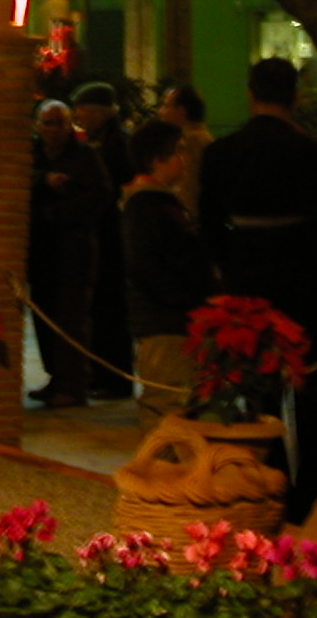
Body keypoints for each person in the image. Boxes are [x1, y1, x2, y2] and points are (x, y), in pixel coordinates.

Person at [197, 55, 317, 516]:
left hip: (243, 283)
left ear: (251, 95)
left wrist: (229, 266)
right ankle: (309, 489)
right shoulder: (308, 152)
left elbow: (208, 226)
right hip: (302, 282)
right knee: (311, 393)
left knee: (249, 388)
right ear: (294, 97)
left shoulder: (222, 152)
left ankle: (246, 480)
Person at [120, 119, 217, 427]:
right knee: (167, 408)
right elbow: (145, 266)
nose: (184, 159)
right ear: (155, 160)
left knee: (185, 408)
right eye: (177, 152)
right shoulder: (145, 204)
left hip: (178, 321)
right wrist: (187, 299)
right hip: (164, 325)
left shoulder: (162, 201)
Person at [27, 100, 111, 411]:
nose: (53, 129)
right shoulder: (32, 154)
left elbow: (99, 196)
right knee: (45, 317)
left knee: (71, 319)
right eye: (47, 123)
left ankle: (73, 385)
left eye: (59, 123)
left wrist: (57, 213)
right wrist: (44, 179)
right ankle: (55, 377)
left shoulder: (85, 156)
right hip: (40, 252)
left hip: (73, 251)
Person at [70, 82, 135, 400]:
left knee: (112, 308)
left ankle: (115, 378)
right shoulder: (101, 140)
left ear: (100, 112)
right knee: (99, 307)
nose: (79, 116)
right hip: (102, 234)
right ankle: (99, 374)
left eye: (82, 110)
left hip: (112, 236)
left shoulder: (117, 144)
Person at [156, 81, 215, 222]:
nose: (160, 112)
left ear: (182, 110)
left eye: (166, 105)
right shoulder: (199, 138)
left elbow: (187, 189)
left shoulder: (190, 142)